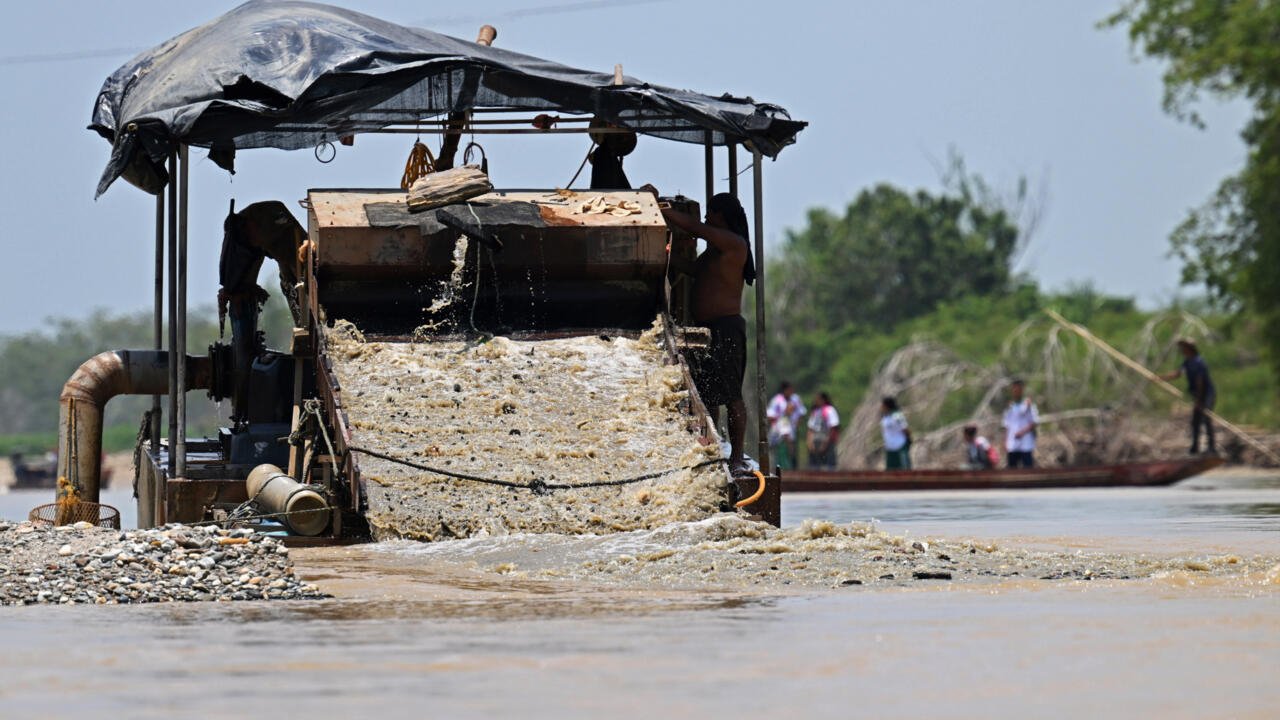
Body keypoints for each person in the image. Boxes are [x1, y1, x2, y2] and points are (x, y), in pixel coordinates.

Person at [646, 186, 756, 475]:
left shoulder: (735, 244)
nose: (707, 217)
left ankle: (737, 458)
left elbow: (696, 227)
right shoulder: (713, 253)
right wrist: (663, 258)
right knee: (708, 394)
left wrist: (659, 208)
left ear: (722, 216)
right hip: (705, 330)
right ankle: (715, 451)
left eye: (711, 213)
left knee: (732, 396)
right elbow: (694, 271)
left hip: (726, 328)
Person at [1160, 338, 1217, 455]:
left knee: (1206, 419)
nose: (1182, 350)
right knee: (1195, 421)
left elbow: (1200, 382)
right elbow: (1178, 373)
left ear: (1189, 349)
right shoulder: (1187, 362)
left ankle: (1211, 448)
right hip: (1197, 395)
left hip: (1206, 395)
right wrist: (1162, 378)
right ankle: (1195, 448)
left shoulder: (1199, 362)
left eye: (1183, 348)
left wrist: (1199, 400)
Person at [766, 381, 806, 470]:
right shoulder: (777, 400)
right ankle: (782, 467)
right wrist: (784, 414)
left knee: (793, 451)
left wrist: (797, 424)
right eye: (789, 390)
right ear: (784, 390)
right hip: (780, 428)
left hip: (793, 429)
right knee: (782, 450)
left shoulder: (795, 399)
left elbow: (801, 412)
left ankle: (791, 467)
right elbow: (770, 416)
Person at [1001, 379, 1039, 468]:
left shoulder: (1029, 406)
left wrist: (1022, 432)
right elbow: (1006, 426)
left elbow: (1034, 422)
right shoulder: (1009, 407)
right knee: (1012, 469)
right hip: (1012, 444)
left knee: (1028, 469)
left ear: (1022, 390)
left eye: (1018, 389)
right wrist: (1005, 441)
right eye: (1014, 389)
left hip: (1026, 444)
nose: (1016, 392)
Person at [807, 392, 840, 469]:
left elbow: (833, 428)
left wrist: (825, 443)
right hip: (815, 440)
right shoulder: (815, 412)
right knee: (814, 466)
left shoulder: (830, 410)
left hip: (826, 440)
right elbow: (810, 429)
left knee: (830, 464)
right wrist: (809, 443)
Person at [879, 397, 912, 469]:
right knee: (890, 471)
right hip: (890, 448)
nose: (881, 407)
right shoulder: (884, 416)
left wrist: (908, 441)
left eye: (882, 405)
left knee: (904, 470)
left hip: (899, 446)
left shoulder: (897, 415)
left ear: (887, 406)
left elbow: (905, 429)